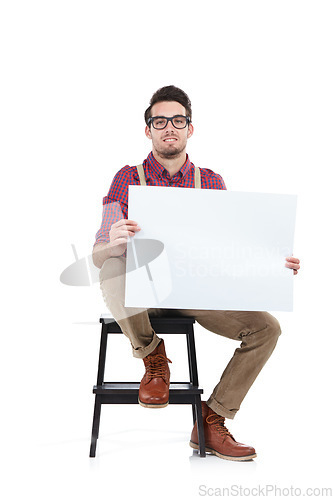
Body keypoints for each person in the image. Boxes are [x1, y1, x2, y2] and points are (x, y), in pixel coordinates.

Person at [92, 85, 300, 461]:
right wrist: (114, 242)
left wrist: (273, 265)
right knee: (109, 266)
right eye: (159, 121)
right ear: (148, 130)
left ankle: (211, 418)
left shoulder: (212, 182)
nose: (168, 127)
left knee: (267, 329)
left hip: (197, 293)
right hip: (142, 295)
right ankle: (152, 356)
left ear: (190, 128)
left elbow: (233, 251)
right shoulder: (126, 178)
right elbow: (97, 255)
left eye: (177, 120)